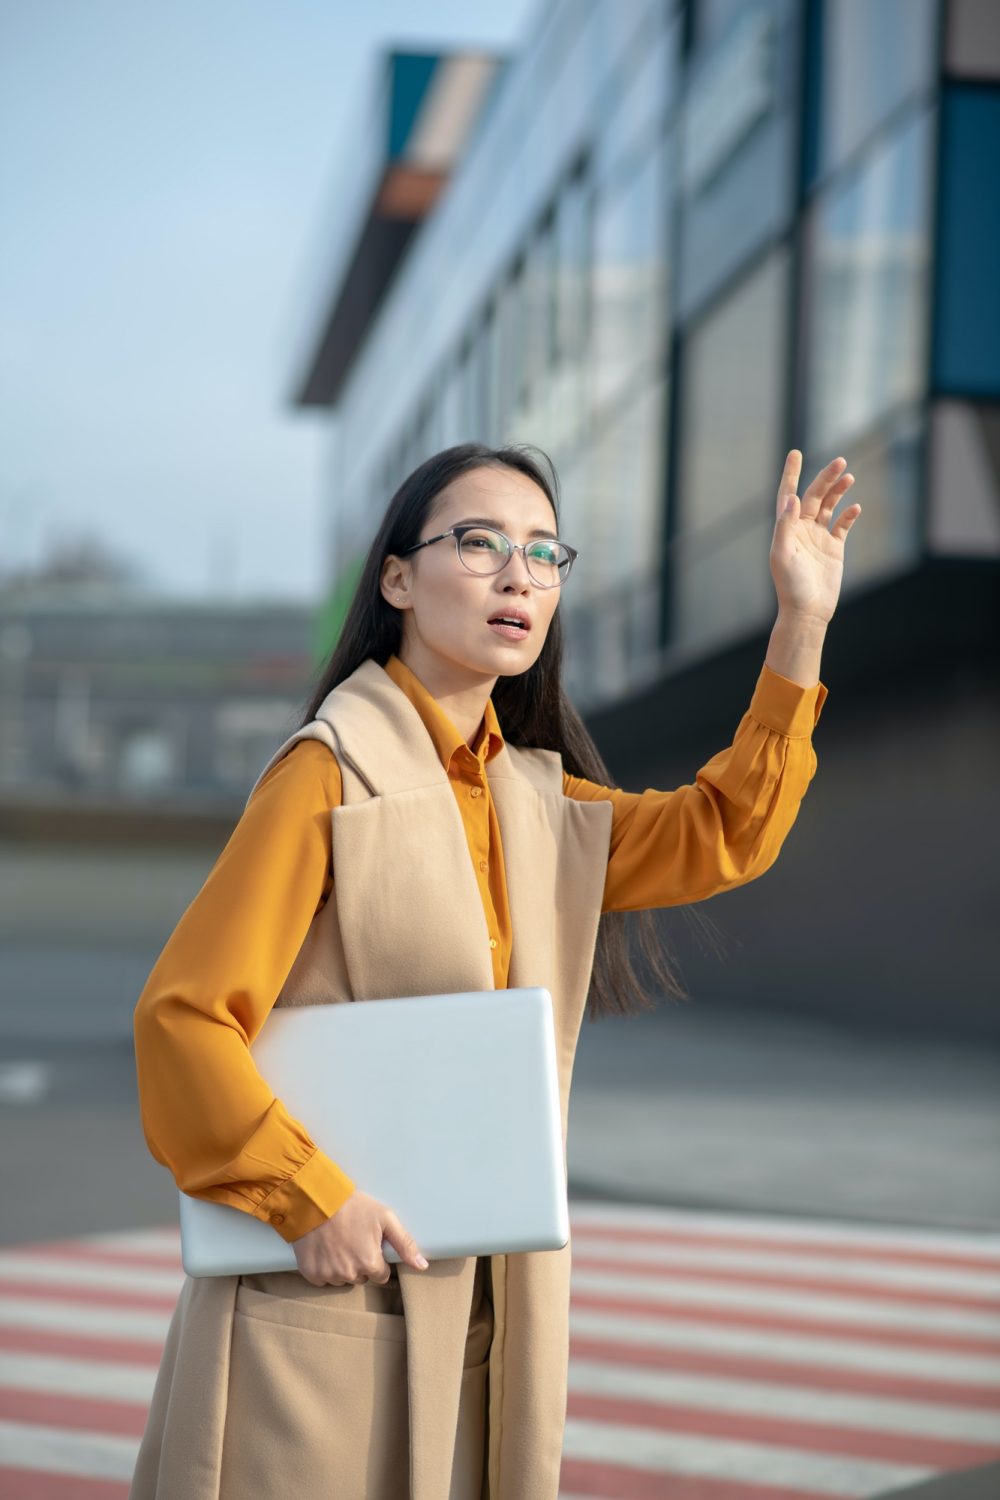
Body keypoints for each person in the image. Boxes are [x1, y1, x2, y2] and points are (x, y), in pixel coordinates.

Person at [129, 441, 859, 1500]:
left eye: (542, 552)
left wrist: (802, 620)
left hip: (480, 1304)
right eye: (477, 544)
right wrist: (308, 1198)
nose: (518, 574)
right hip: (325, 1287)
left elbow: (724, 832)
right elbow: (183, 1020)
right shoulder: (325, 775)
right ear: (395, 579)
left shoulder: (538, 802)